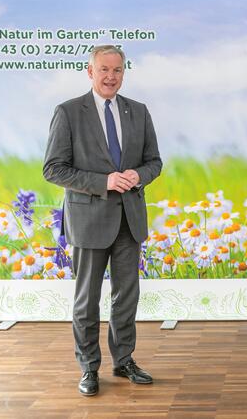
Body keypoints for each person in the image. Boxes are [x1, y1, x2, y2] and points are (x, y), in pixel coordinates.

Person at [43, 45, 162, 396]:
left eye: (118, 70)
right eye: (105, 69)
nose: (112, 76)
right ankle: (89, 368)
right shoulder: (67, 112)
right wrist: (103, 182)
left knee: (127, 297)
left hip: (130, 219)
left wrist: (138, 176)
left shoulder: (138, 112)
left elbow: (154, 161)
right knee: (87, 300)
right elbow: (53, 169)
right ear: (90, 71)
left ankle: (124, 361)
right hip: (89, 220)